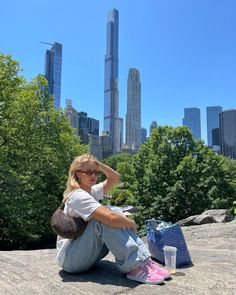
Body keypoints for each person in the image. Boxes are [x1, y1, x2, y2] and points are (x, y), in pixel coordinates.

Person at [56, 154, 171, 285]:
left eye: (95, 172)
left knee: (115, 211)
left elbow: (114, 177)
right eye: (88, 172)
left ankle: (144, 260)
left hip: (86, 255)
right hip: (71, 259)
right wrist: (131, 223)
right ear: (77, 174)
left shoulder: (91, 191)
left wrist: (97, 163)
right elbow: (110, 218)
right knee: (106, 217)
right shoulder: (78, 195)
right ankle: (133, 267)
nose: (93, 175)